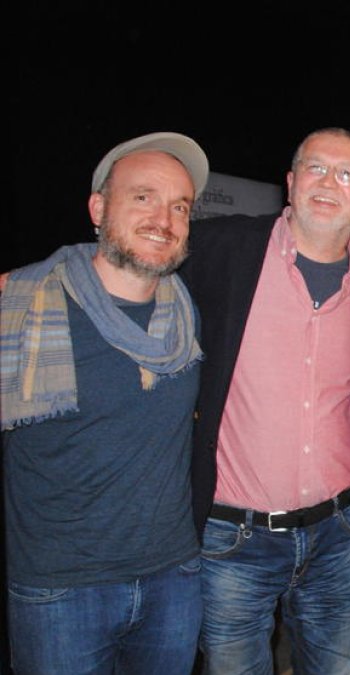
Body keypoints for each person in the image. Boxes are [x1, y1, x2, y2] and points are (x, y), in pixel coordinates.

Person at [180, 128, 350, 674]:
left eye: (347, 174)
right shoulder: (222, 249)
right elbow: (131, 254)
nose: (329, 183)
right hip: (233, 540)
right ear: (291, 182)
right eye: (316, 168)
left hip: (337, 535)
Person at [1, 132, 208, 673]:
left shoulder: (185, 316)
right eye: (143, 197)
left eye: (179, 206)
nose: (163, 218)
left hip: (174, 580)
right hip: (61, 594)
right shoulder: (21, 306)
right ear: (98, 208)